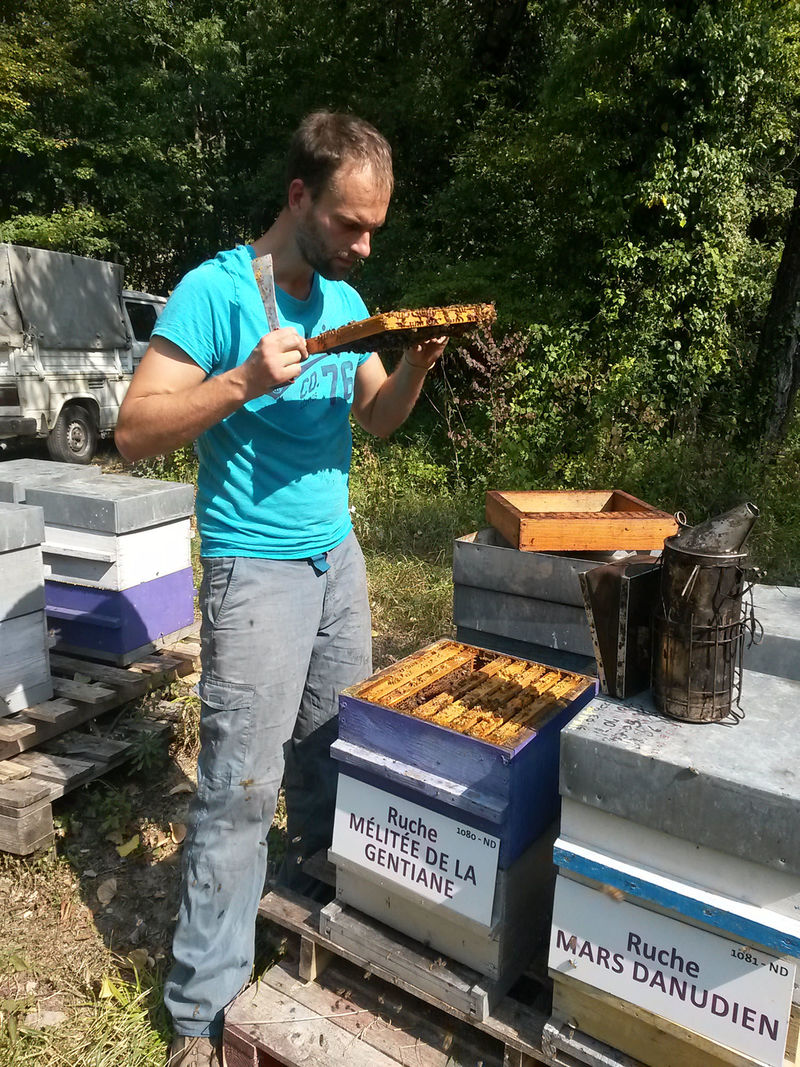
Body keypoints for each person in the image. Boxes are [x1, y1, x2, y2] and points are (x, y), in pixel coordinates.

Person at [115, 111, 447, 1067]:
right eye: (349, 222)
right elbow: (134, 431)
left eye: (374, 226)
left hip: (335, 559)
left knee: (331, 761)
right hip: (251, 568)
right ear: (298, 197)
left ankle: (306, 931)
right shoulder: (214, 294)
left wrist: (417, 366)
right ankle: (198, 1013)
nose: (363, 243)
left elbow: (378, 418)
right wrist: (241, 382)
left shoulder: (344, 296)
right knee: (237, 790)